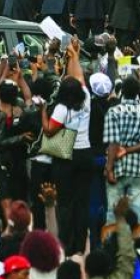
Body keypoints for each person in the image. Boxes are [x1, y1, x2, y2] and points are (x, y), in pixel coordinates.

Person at [41, 38, 91, 256]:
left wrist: (43, 111)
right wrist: (74, 55)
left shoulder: (61, 108)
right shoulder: (86, 98)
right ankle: (81, 246)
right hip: (85, 153)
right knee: (82, 203)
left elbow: (50, 131)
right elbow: (78, 77)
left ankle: (66, 245)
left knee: (66, 203)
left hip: (66, 156)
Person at [102, 76, 140, 222]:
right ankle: (138, 244)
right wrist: (130, 149)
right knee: (137, 212)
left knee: (113, 212)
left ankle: (111, 243)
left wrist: (109, 168)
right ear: (138, 93)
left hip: (116, 168)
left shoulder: (113, 112)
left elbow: (113, 143)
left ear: (122, 92)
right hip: (138, 168)